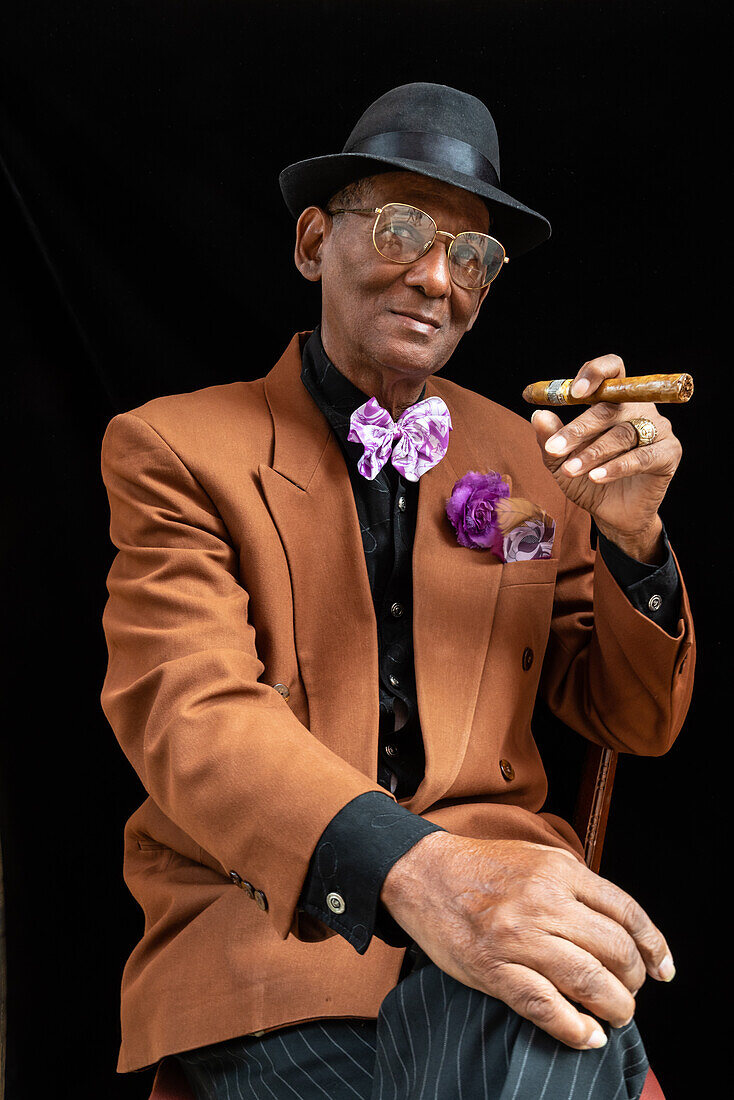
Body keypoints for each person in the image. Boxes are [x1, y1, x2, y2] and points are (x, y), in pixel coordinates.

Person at [100, 83, 694, 1099]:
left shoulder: (521, 454)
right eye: (401, 228)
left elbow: (627, 718)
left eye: (470, 256)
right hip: (279, 938)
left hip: (505, 910)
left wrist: (632, 535)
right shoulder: (175, 446)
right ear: (309, 244)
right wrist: (422, 873)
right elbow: (190, 714)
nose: (433, 277)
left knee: (527, 1012)